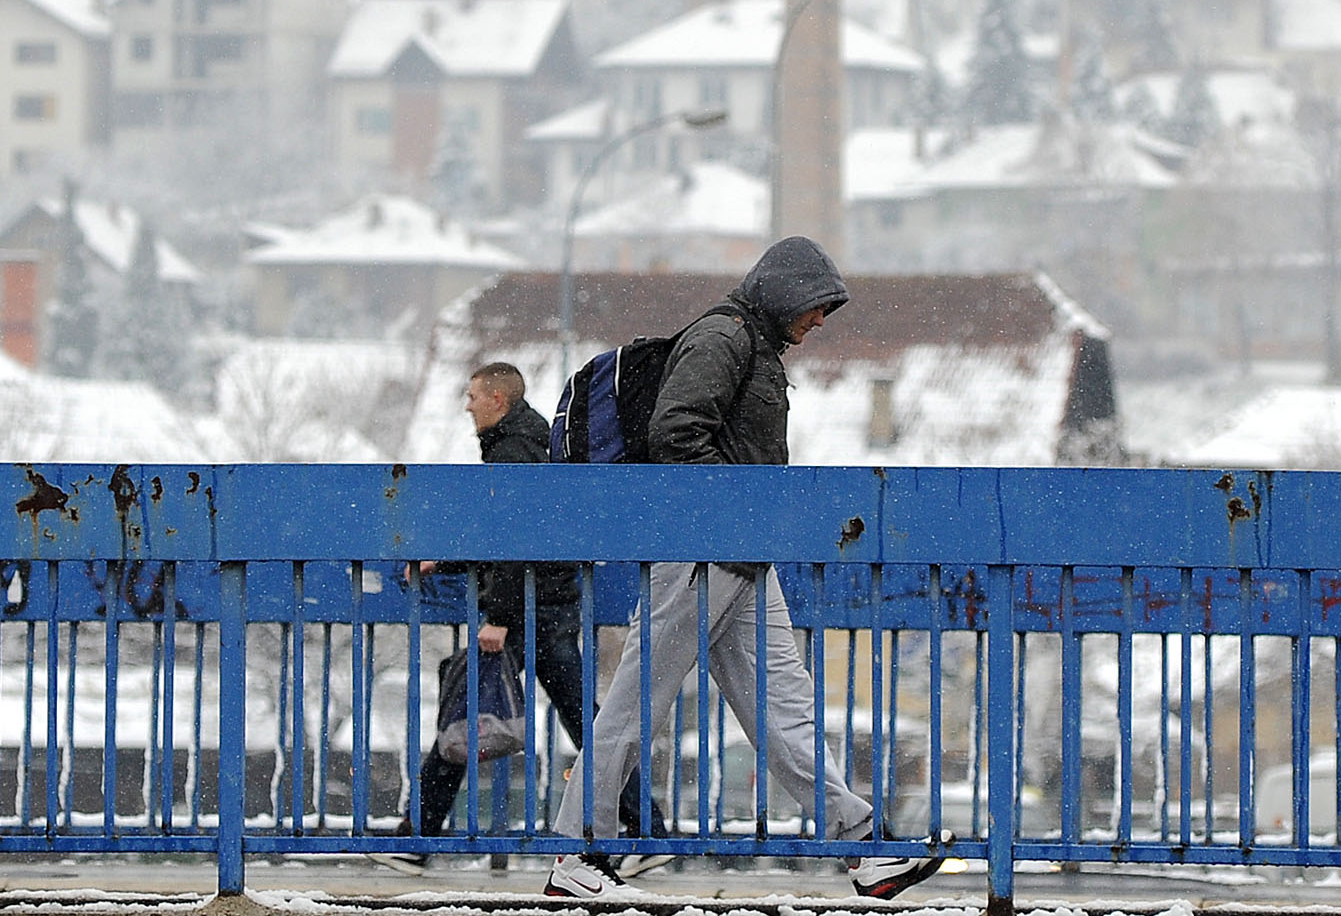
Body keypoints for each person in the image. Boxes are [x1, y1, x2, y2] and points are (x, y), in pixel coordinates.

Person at [543, 238, 944, 902]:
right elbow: (676, 432)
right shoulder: (722, 338)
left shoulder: (752, 347)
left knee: (785, 709)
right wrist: (734, 507)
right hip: (701, 552)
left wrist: (745, 520)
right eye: (817, 306)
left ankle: (863, 844)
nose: (820, 320)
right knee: (638, 703)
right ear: (786, 291)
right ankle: (576, 849)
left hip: (742, 555)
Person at [373, 361, 668, 876]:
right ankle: (648, 828)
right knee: (581, 722)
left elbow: (516, 538)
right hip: (546, 605)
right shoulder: (527, 441)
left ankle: (417, 837)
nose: (467, 406)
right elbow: (506, 534)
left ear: (498, 400)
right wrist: (447, 561)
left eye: (473, 397)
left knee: (471, 712)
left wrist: (502, 617)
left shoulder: (513, 449)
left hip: (533, 611)